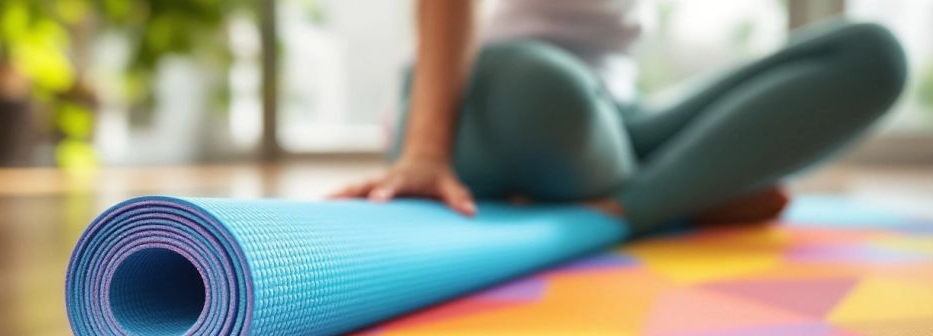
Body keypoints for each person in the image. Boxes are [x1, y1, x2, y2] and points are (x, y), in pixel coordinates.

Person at [331, 0, 907, 234]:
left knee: (872, 53)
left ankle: (637, 204)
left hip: (611, 119)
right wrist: (425, 151)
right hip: (485, 99)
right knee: (541, 93)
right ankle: (683, 194)